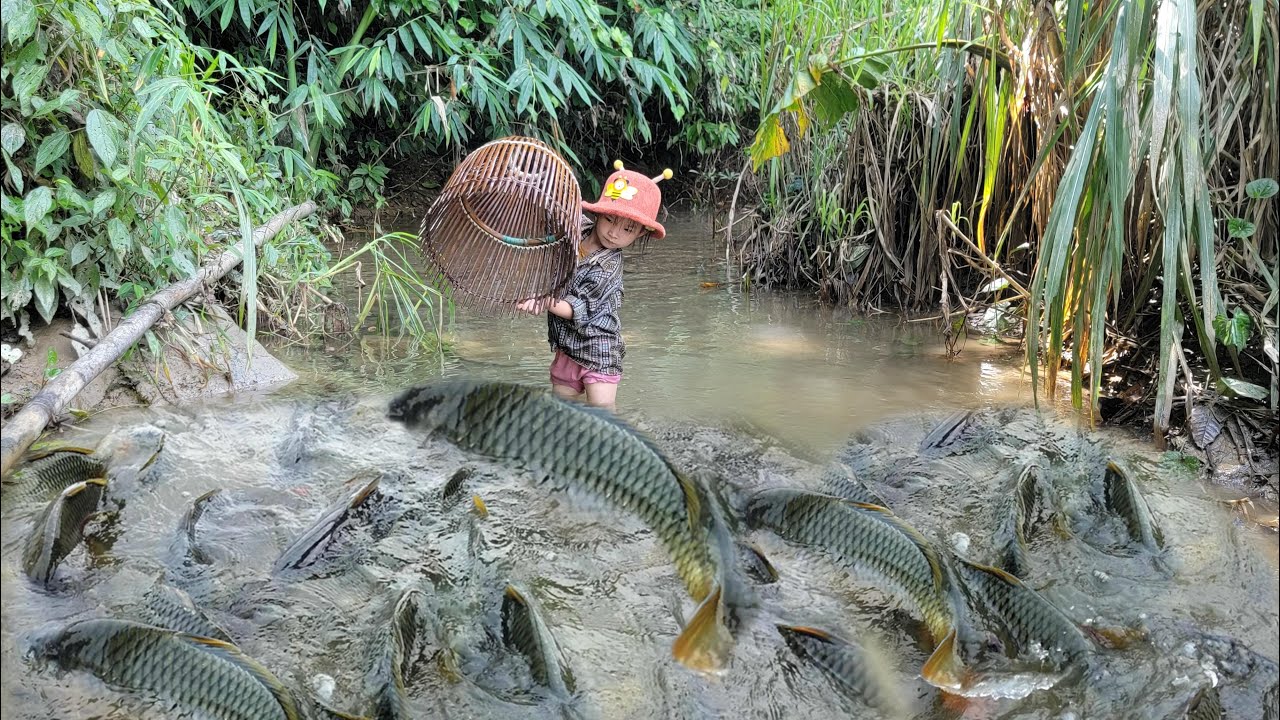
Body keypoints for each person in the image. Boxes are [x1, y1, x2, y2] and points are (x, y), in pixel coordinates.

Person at [516, 161, 672, 411]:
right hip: (567, 345)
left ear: (641, 233)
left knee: (602, 417)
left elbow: (575, 308)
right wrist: (533, 183)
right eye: (610, 220)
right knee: (562, 412)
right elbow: (558, 209)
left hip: (599, 351)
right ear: (598, 213)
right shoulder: (579, 230)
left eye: (628, 229)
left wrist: (543, 300)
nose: (614, 233)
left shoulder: (607, 268)